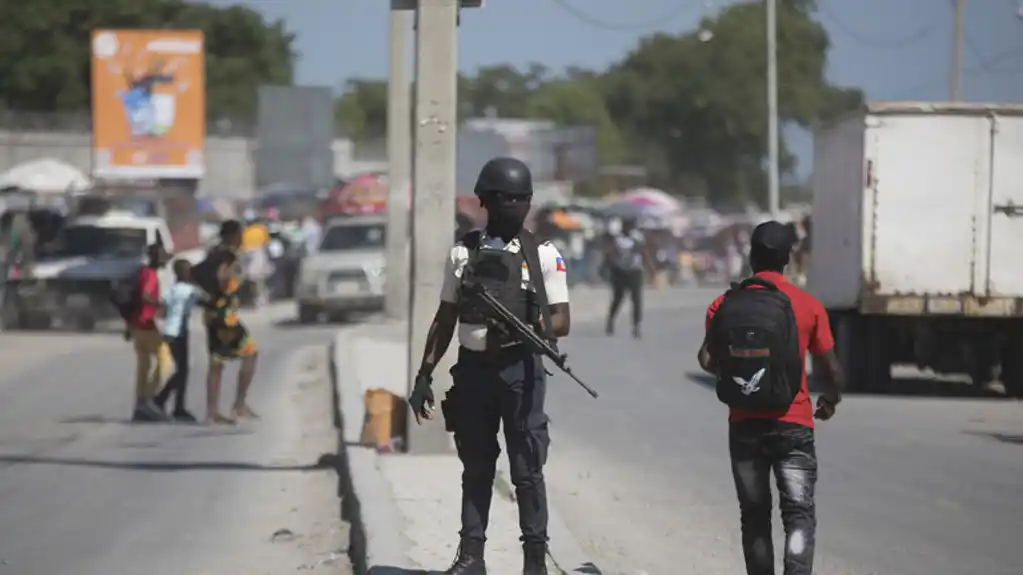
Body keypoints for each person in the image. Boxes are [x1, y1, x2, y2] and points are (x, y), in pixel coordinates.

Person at [408, 157, 571, 575]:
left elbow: (561, 320)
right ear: (486, 202)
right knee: (476, 466)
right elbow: (445, 318)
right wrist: (425, 374)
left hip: (521, 371)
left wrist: (523, 329)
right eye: (506, 199)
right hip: (474, 371)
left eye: (521, 199)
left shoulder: (544, 256)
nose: (514, 206)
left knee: (527, 469)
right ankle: (470, 557)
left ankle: (535, 559)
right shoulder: (463, 253)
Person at [697, 220, 845, 575]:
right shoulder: (808, 306)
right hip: (793, 426)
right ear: (787, 259)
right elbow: (833, 371)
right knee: (798, 516)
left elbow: (705, 359)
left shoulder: (724, 305)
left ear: (751, 256)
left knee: (754, 515)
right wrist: (830, 401)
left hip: (745, 427)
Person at [195, 220, 260, 426]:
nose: (242, 238)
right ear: (232, 235)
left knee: (216, 362)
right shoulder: (228, 255)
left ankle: (211, 413)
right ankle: (239, 405)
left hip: (212, 313)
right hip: (225, 316)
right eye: (240, 234)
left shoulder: (213, 252)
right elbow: (223, 277)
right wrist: (225, 288)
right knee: (251, 353)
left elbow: (196, 274)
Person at [153, 259, 201, 422]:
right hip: (180, 332)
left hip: (168, 331)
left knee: (182, 370)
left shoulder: (171, 289)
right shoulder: (191, 290)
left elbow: (162, 310)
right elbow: (206, 300)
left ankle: (173, 404)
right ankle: (164, 401)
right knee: (183, 370)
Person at [129, 243, 171, 422]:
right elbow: (145, 296)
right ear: (156, 258)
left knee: (144, 365)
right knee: (165, 361)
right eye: (162, 256)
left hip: (137, 325)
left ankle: (140, 403)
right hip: (147, 324)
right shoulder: (151, 275)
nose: (164, 260)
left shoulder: (142, 272)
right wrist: (161, 304)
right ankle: (147, 399)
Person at [604, 216, 649, 338]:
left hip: (635, 271)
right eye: (626, 226)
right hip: (620, 271)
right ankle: (610, 321)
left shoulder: (638, 237)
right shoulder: (618, 239)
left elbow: (643, 251)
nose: (628, 228)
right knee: (618, 298)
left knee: (636, 300)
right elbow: (611, 254)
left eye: (630, 226)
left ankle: (636, 326)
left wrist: (639, 247)